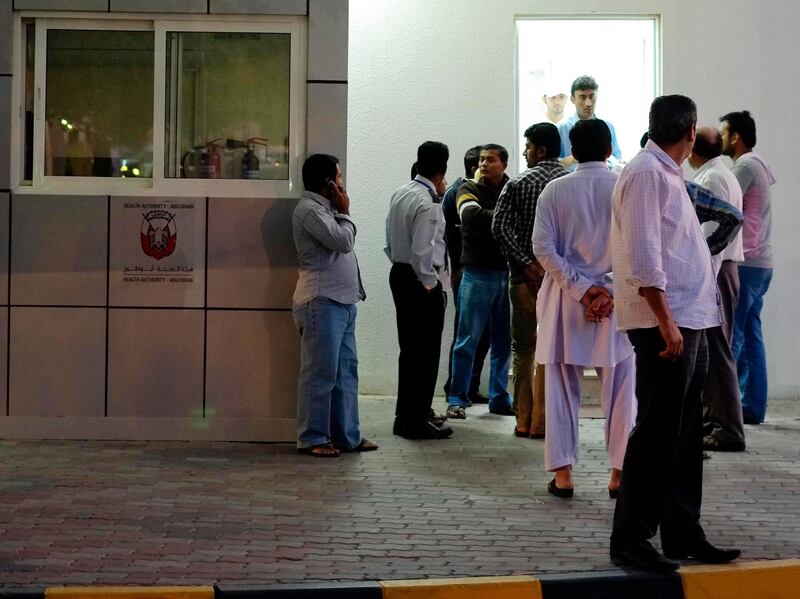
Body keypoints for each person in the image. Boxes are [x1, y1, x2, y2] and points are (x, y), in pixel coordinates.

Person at [609, 95, 740, 572]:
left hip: (692, 316)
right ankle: (631, 538)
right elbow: (644, 255)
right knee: (658, 431)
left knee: (684, 434)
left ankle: (683, 531)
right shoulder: (647, 173)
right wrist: (665, 320)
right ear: (689, 133)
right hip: (668, 320)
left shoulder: (668, 173)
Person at [532, 119, 636, 498]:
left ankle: (563, 476)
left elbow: (543, 249)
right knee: (623, 388)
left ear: (571, 152)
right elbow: (635, 247)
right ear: (609, 150)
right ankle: (619, 475)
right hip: (617, 303)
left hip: (565, 300)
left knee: (560, 388)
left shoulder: (555, 190)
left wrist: (581, 287)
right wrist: (604, 289)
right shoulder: (624, 187)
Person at [291, 154, 377, 457]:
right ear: (328, 182)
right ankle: (313, 437)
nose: (342, 182)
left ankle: (346, 436)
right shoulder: (310, 211)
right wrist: (347, 211)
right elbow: (342, 242)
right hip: (320, 302)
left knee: (345, 373)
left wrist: (340, 211)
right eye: (339, 177)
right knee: (320, 374)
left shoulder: (326, 210)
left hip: (342, 303)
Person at [492, 123, 567, 438]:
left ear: (541, 149)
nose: (524, 152)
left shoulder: (519, 183)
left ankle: (523, 420)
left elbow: (499, 227)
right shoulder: (569, 184)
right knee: (555, 350)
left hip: (524, 279)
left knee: (523, 349)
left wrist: (526, 262)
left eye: (527, 146)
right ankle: (545, 421)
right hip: (564, 282)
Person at [385, 141, 454, 440]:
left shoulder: (402, 192)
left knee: (409, 351)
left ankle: (406, 416)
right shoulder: (430, 204)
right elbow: (422, 253)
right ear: (443, 169)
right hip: (419, 280)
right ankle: (416, 421)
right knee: (426, 354)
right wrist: (430, 284)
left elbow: (390, 238)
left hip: (399, 273)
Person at [688, 127, 746, 452]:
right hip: (725, 269)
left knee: (717, 351)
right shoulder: (720, 172)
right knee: (714, 351)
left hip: (717, 270)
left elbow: (710, 240)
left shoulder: (711, 179)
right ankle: (716, 424)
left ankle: (727, 430)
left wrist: (702, 278)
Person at [447, 145, 514, 419]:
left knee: (502, 342)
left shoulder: (512, 187)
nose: (484, 164)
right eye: (482, 160)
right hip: (476, 274)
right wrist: (508, 218)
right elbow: (469, 217)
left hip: (505, 273)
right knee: (466, 341)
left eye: (491, 160)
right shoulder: (467, 189)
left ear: (504, 164)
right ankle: (457, 398)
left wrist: (496, 218)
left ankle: (499, 398)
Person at [719, 110, 776, 425]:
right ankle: (752, 408)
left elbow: (725, 206)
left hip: (747, 261)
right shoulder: (761, 164)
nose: (722, 139)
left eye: (725, 133)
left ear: (735, 137)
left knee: (734, 337)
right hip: (761, 263)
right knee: (751, 335)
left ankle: (728, 414)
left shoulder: (744, 168)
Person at [442, 146, 490, 404]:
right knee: (466, 332)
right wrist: (457, 268)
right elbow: (450, 233)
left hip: (475, 269)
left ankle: (469, 385)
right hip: (464, 269)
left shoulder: (476, 192)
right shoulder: (456, 194)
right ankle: (456, 387)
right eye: (485, 163)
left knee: (483, 333)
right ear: (475, 168)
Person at [557, 76, 622, 170]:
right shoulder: (561, 128)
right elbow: (551, 164)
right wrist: (572, 159)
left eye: (592, 97)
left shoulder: (608, 126)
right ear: (572, 99)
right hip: (573, 183)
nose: (588, 103)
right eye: (582, 97)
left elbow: (617, 159)